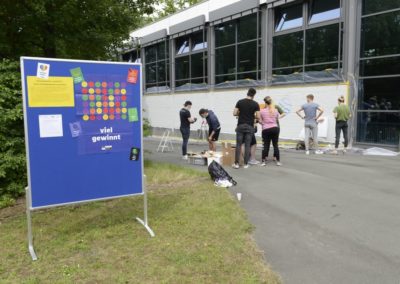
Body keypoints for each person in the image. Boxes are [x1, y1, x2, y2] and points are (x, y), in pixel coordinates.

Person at [233, 88, 261, 169]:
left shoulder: (240, 102)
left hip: (241, 125)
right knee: (248, 145)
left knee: (239, 144)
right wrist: (253, 116)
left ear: (247, 93)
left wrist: (240, 113)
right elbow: (258, 117)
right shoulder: (255, 104)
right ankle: (246, 164)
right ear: (254, 95)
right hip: (250, 126)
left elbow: (234, 113)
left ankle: (236, 164)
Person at [260, 96, 286, 166]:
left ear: (265, 102)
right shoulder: (276, 110)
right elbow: (277, 117)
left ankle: (263, 161)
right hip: (275, 128)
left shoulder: (262, 111)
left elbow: (260, 120)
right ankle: (278, 161)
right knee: (275, 145)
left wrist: (262, 123)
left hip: (266, 129)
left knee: (266, 145)